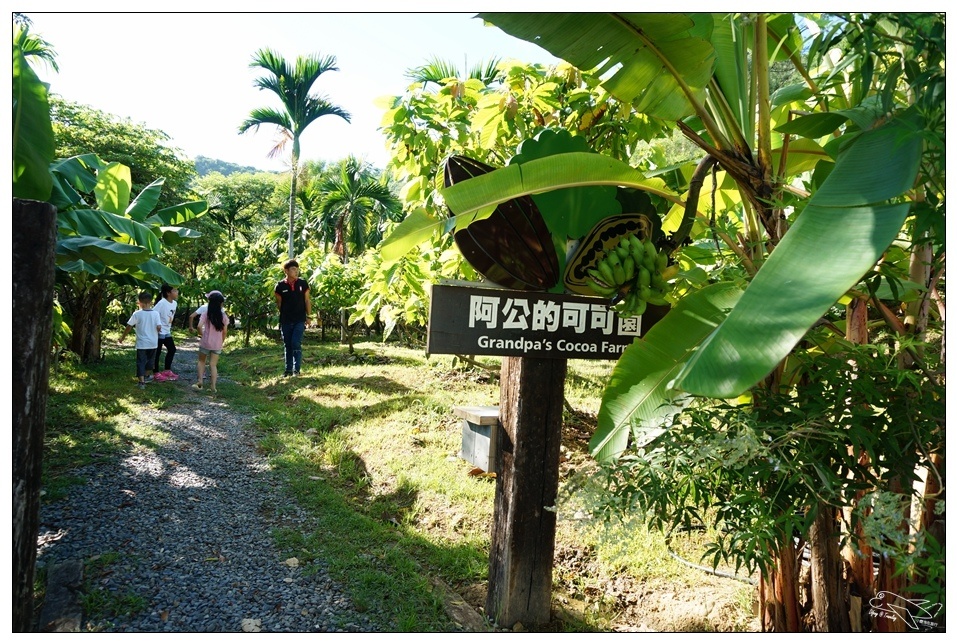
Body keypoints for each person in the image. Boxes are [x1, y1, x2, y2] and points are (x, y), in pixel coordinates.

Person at [274, 258, 312, 377]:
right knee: (288, 344)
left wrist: (309, 316)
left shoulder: (302, 283)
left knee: (296, 342)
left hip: (299, 319)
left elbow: (307, 300)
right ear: (286, 271)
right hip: (286, 320)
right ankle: (288, 370)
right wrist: (285, 313)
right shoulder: (280, 286)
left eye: (297, 269)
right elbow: (279, 304)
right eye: (293, 269)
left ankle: (297, 369)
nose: (296, 272)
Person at [120, 291, 161, 389]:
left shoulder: (137, 314)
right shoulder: (156, 314)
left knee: (141, 361)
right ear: (151, 302)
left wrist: (122, 337)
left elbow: (129, 327)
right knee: (150, 361)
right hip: (153, 342)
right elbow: (159, 327)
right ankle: (146, 376)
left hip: (142, 343)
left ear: (139, 302)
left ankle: (142, 382)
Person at [192, 290, 229, 394]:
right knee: (213, 365)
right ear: (221, 304)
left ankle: (200, 381)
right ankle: (213, 386)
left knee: (201, 361)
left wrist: (201, 334)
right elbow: (225, 332)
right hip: (217, 344)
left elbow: (199, 326)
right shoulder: (223, 316)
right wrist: (221, 341)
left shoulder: (206, 314)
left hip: (205, 342)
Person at [152, 284, 179, 381]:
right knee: (157, 352)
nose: (177, 292)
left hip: (167, 331)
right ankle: (155, 372)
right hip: (159, 331)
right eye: (175, 291)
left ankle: (167, 370)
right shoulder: (162, 303)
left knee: (172, 349)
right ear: (168, 293)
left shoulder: (174, 303)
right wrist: (157, 324)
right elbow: (153, 313)